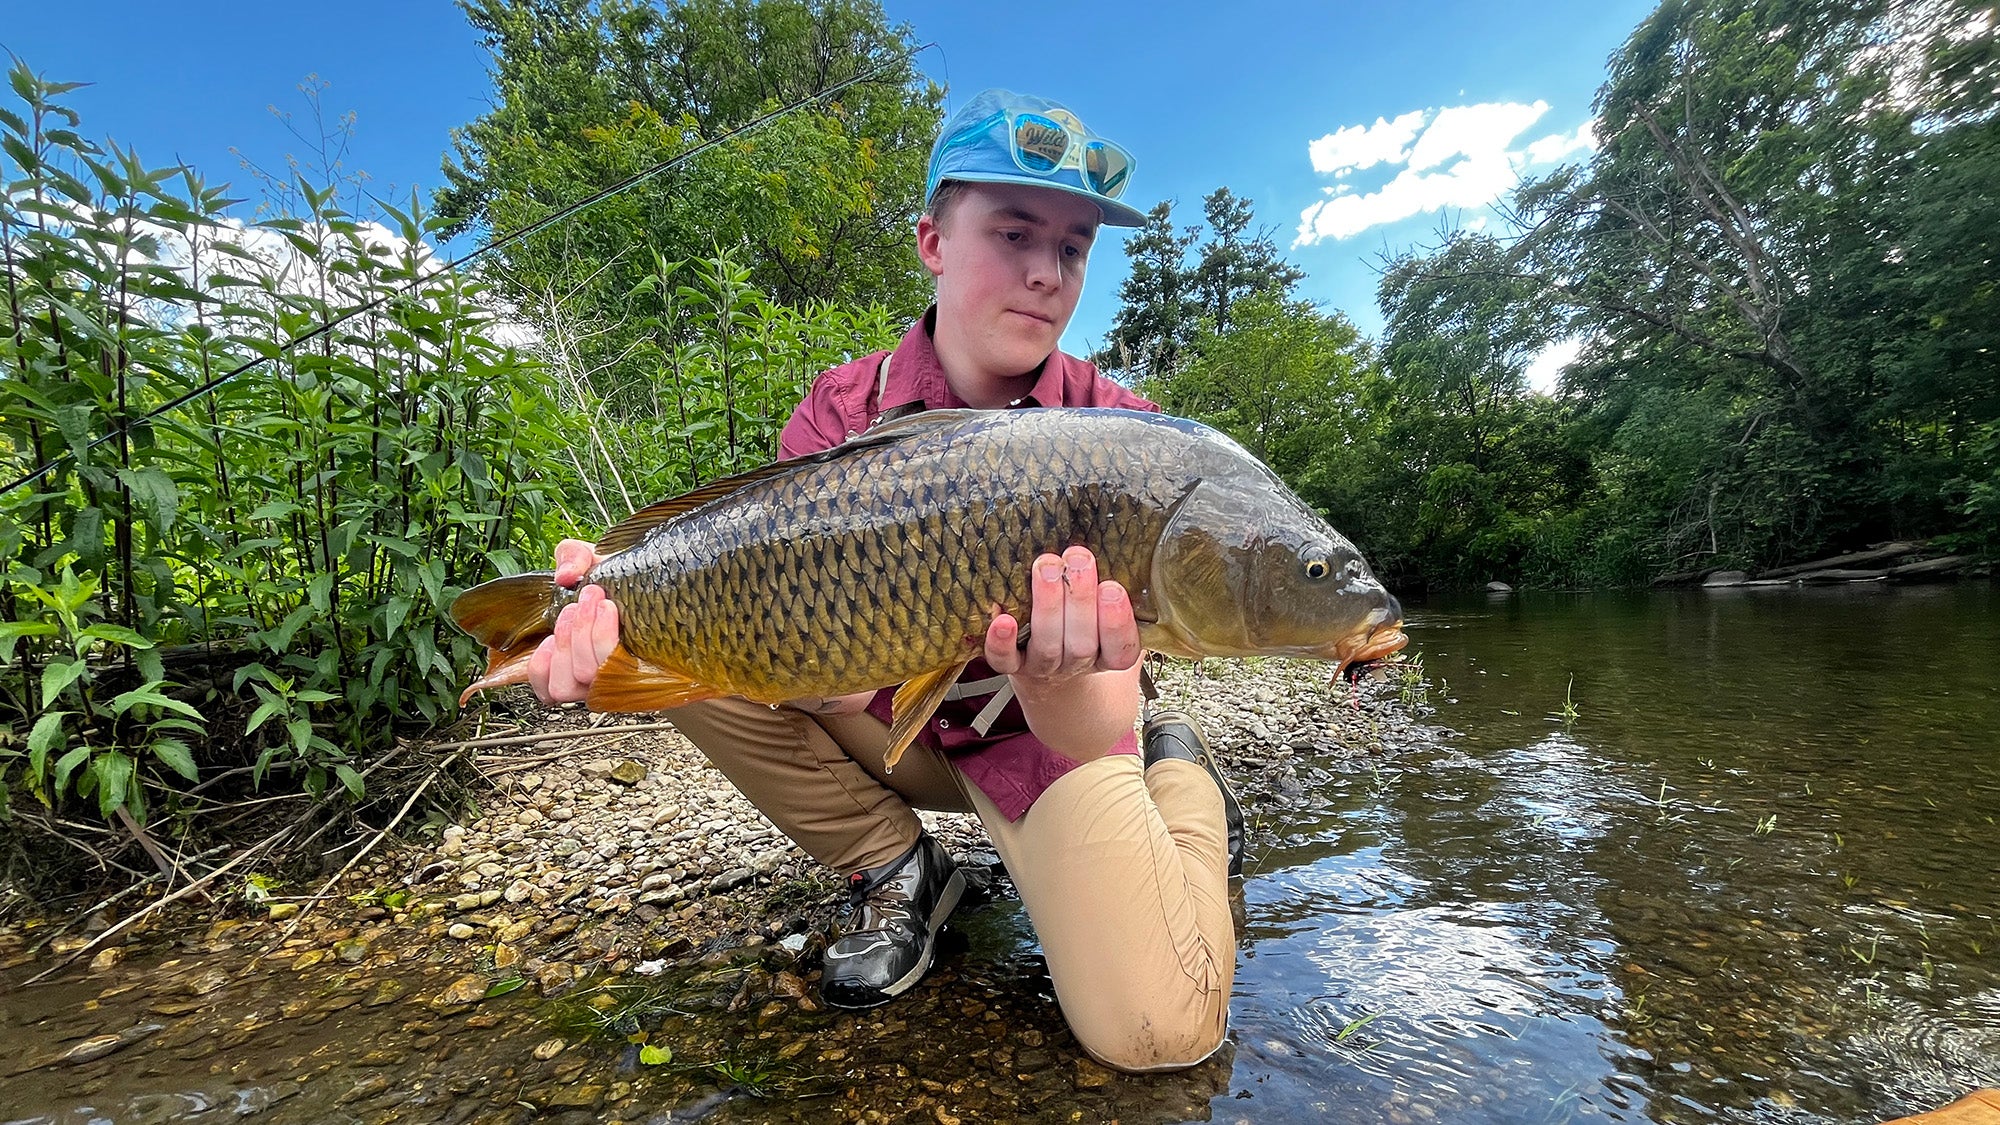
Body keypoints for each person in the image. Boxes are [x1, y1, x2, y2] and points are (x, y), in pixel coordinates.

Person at [526, 89, 1245, 1073]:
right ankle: (897, 864)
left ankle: (1178, 771)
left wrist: (1064, 695)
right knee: (684, 623)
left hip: (1055, 742)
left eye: (1073, 248)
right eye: (1014, 233)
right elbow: (768, 637)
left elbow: (1089, 722)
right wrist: (610, 619)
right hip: (896, 728)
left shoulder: (1124, 438)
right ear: (932, 244)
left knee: (1159, 1034)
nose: (1046, 272)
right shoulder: (839, 408)